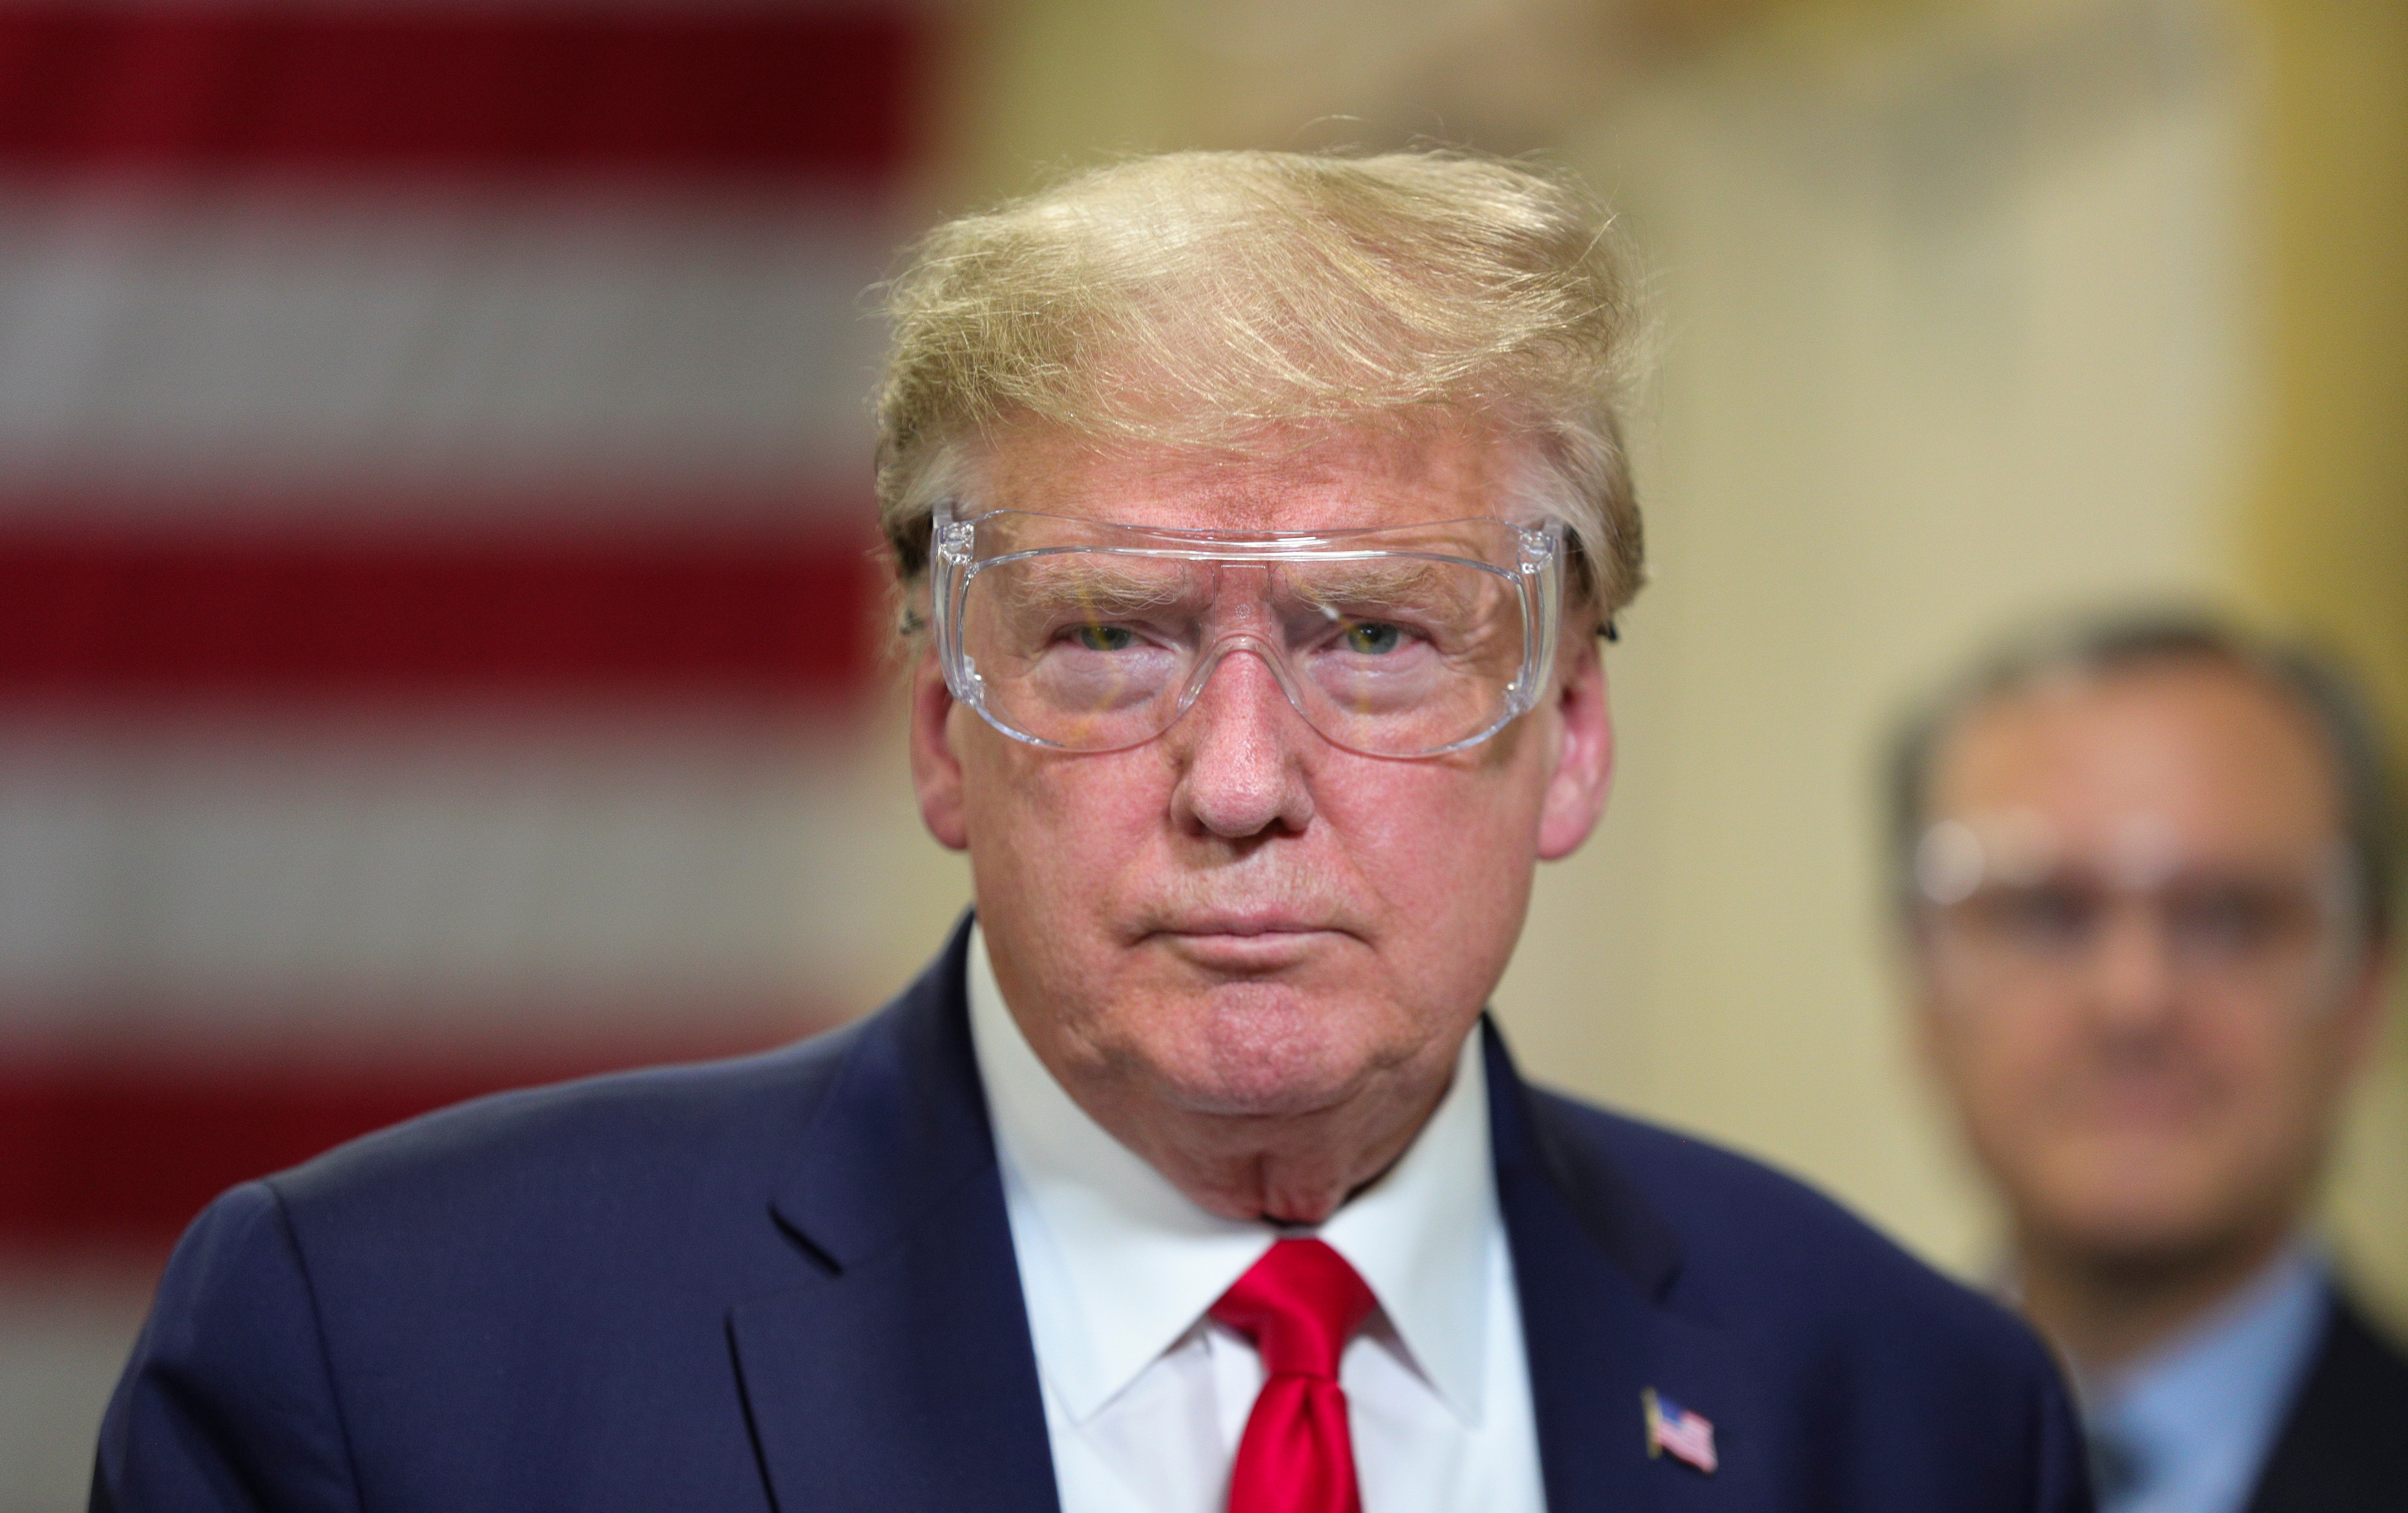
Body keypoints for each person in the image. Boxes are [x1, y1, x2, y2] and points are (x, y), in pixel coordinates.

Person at [94, 149, 2087, 1513]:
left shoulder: (1914, 1411)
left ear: (1567, 734)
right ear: (943, 733)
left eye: (1378, 634)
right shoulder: (384, 1362)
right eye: (1111, 637)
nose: (1236, 780)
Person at [1892, 612, 2408, 1513]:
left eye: (2227, 916)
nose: (2134, 1001)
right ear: (1922, 982)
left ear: (2364, 989)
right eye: (2047, 913)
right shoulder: (1782, 1458)